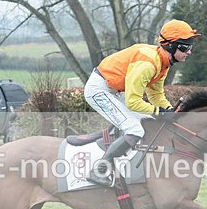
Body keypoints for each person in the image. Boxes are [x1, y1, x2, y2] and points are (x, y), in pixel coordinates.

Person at [83, 19, 200, 186]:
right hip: (99, 90)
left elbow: (155, 94)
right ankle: (98, 171)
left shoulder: (163, 63)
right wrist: (160, 112)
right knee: (135, 129)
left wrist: (170, 111)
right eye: (185, 47)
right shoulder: (148, 64)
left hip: (115, 91)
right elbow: (132, 102)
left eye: (190, 47)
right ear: (170, 46)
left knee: (149, 121)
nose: (189, 52)